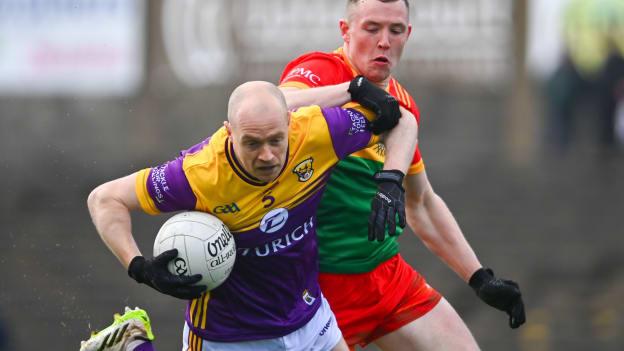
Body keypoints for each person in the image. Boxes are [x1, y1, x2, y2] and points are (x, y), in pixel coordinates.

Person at [85, 79, 417, 350]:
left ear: (290, 122)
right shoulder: (198, 175)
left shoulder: (319, 133)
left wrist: (391, 181)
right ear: (229, 132)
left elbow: (400, 120)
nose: (267, 155)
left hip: (310, 316)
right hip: (227, 336)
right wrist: (139, 267)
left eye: (276, 140)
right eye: (252, 144)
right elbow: (104, 199)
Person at [278, 0, 526, 349]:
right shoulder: (321, 70)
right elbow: (272, 107)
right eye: (371, 28)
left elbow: (421, 202)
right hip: (318, 292)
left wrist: (479, 278)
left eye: (395, 30)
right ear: (345, 31)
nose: (384, 41)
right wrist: (353, 91)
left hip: (385, 278)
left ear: (407, 35)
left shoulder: (402, 105)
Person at [545, 0, 624, 152]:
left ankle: (607, 149)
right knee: (558, 88)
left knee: (609, 101)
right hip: (580, 67)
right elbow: (567, 33)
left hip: (613, 69)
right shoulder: (578, 4)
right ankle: (560, 147)